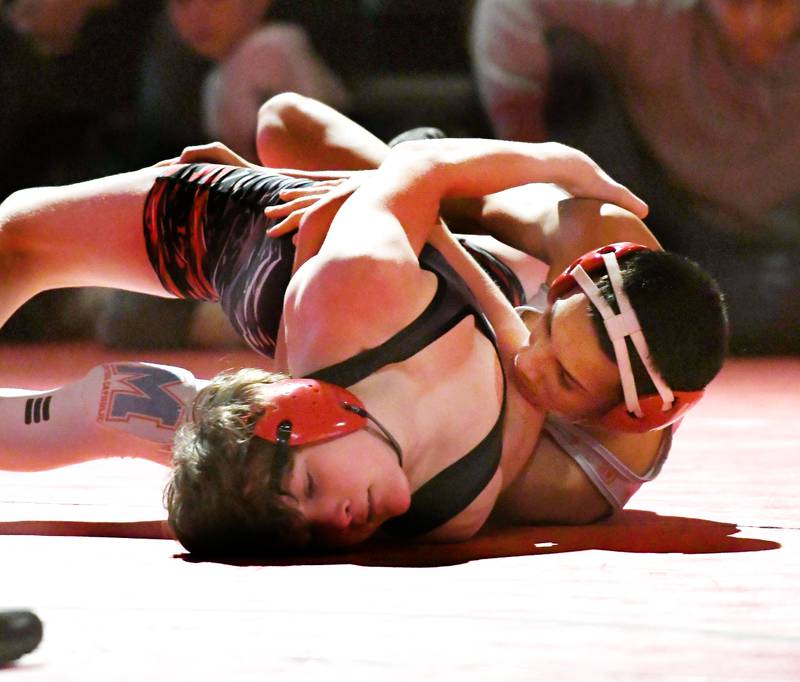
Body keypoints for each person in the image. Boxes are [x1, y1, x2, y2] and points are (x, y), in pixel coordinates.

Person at [0, 95, 727, 553]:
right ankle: (407, 180)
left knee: (171, 424)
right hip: (344, 265)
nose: (530, 362)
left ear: (627, 417)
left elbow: (311, 420)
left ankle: (403, 181)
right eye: (542, 331)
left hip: (346, 319)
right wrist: (392, 196)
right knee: (283, 126)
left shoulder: (543, 486)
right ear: (566, 285)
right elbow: (302, 127)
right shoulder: (590, 246)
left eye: (565, 381)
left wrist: (392, 199)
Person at [471, 0, 800, 353]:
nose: (755, 24)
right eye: (740, 4)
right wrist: (531, 165)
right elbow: (508, 5)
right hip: (675, 228)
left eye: (775, 4)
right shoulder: (646, 8)